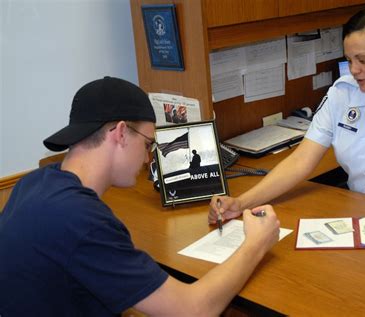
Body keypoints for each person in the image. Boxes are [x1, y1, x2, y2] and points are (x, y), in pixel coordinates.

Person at [0, 76, 280, 316]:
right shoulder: (81, 220)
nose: (148, 158)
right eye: (148, 143)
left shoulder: (34, 184)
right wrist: (256, 243)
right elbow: (195, 310)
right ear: (121, 133)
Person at [209, 7, 365, 224]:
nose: (354, 70)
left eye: (363, 60)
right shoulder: (342, 94)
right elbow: (301, 161)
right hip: (354, 220)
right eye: (349, 59)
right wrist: (240, 203)